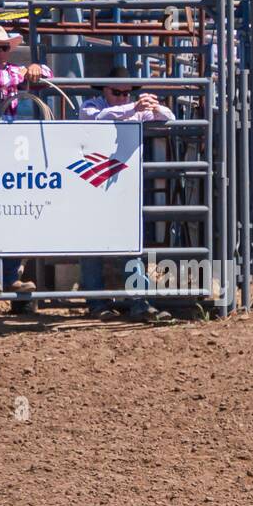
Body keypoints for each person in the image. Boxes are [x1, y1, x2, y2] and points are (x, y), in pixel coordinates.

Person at [77, 66, 176, 321]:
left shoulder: (134, 110)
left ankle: (138, 301)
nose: (122, 97)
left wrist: (154, 107)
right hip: (93, 182)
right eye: (117, 92)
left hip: (122, 185)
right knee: (92, 244)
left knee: (130, 244)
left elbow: (169, 118)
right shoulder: (94, 105)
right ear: (105, 91)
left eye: (126, 93)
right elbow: (94, 118)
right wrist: (133, 109)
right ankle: (98, 303)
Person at [0, 25, 52, 313]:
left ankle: (6, 278)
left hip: (2, 149)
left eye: (4, 48)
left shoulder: (7, 69)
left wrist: (35, 68)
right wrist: (26, 72)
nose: (0, 52)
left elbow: (48, 74)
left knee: (8, 211)